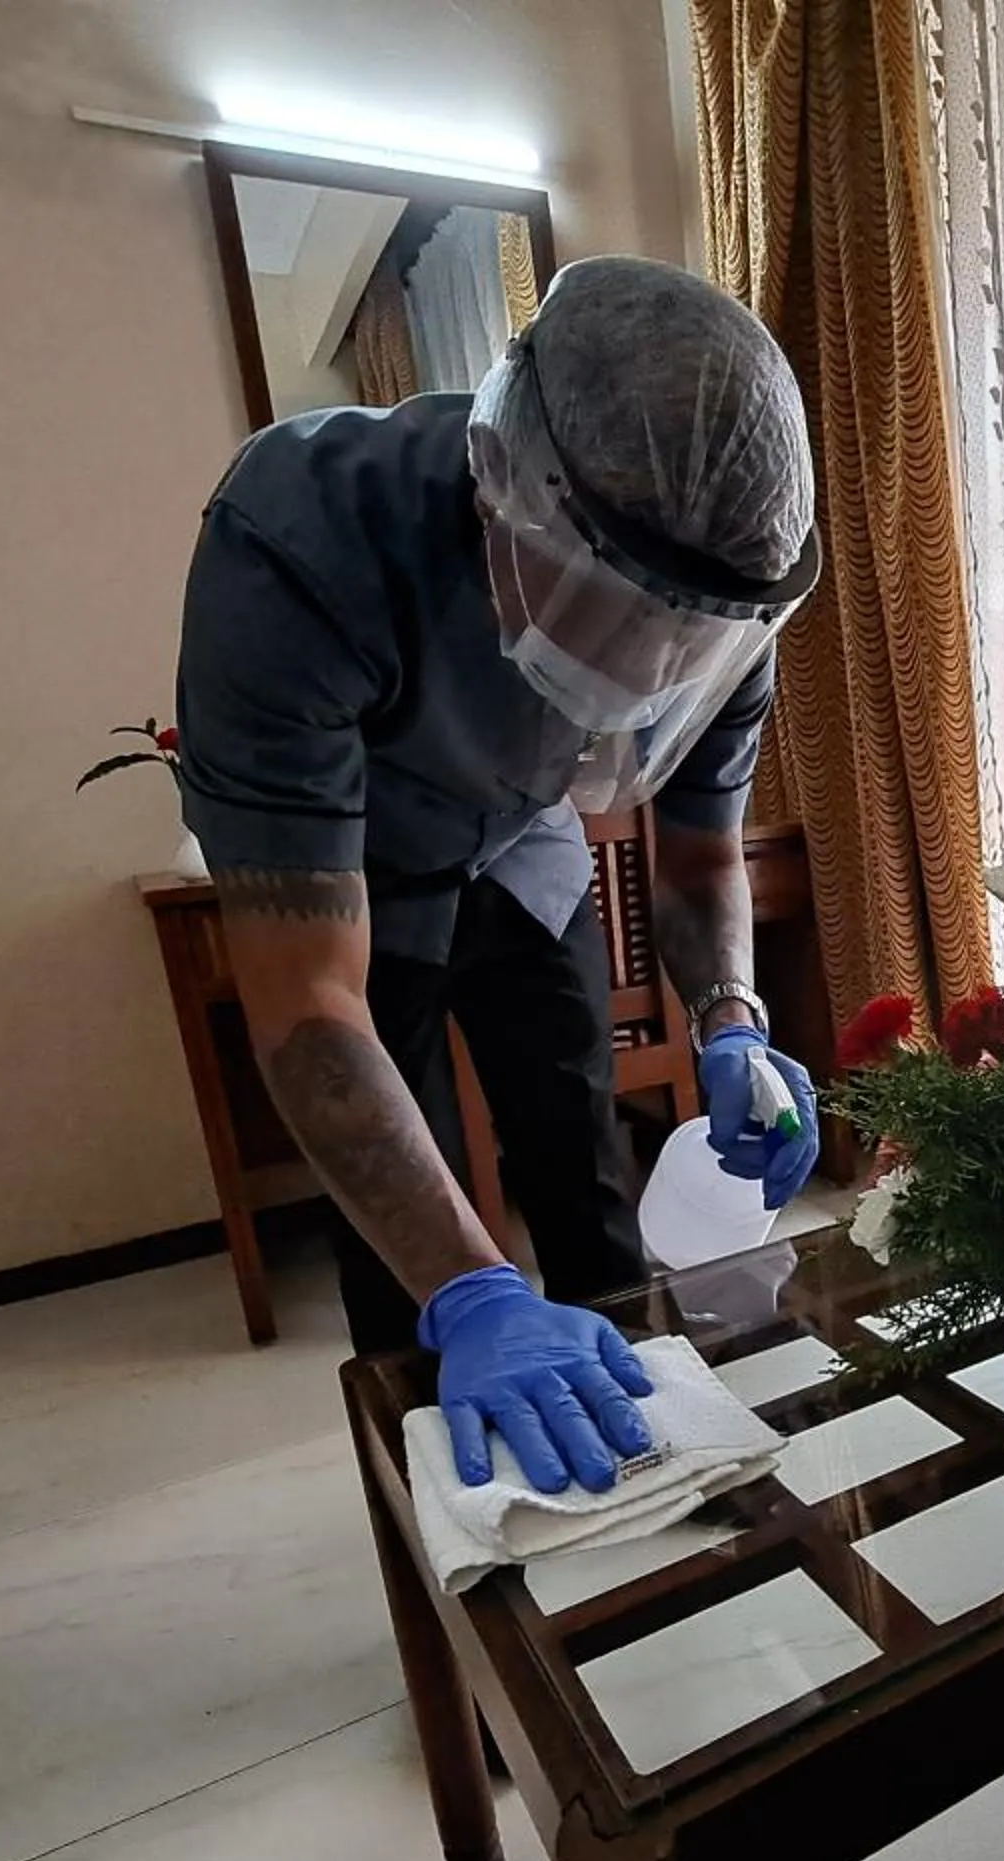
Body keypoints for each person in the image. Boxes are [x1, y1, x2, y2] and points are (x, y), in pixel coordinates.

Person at [172, 256, 824, 1499]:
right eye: (609, 607)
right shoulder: (300, 541)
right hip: (353, 876)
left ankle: (651, 1462)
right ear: (504, 491)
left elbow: (696, 851)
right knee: (404, 1246)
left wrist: (730, 1016)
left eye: (682, 640)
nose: (646, 666)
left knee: (583, 1168)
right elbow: (311, 1005)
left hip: (525, 853)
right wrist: (471, 1288)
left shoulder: (727, 597)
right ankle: (459, 1519)